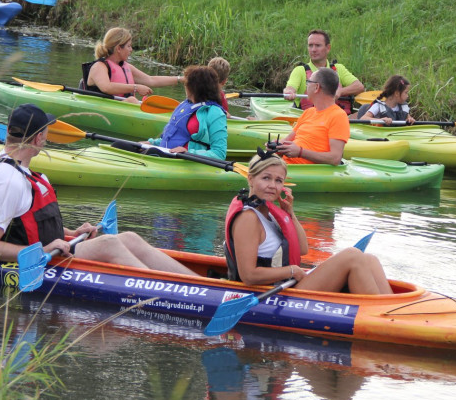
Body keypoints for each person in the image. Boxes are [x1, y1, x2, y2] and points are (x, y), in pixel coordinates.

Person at [0, 103, 199, 275]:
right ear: (39, 138)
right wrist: (44, 249)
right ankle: (174, 292)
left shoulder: (21, 170)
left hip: (51, 249)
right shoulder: (7, 181)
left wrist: (71, 234)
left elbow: (26, 225)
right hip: (41, 259)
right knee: (109, 243)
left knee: (129, 237)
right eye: (46, 132)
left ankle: (199, 283)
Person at [223, 152, 393, 293]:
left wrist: (289, 214)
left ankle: (390, 309)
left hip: (287, 284)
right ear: (251, 178)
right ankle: (381, 319)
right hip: (270, 291)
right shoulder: (248, 218)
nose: (272, 186)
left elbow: (302, 248)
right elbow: (248, 276)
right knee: (352, 256)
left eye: (278, 180)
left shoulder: (271, 213)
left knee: (369, 259)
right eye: (266, 178)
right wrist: (292, 271)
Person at [145, 65, 228, 160]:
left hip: (187, 162)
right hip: (166, 156)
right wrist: (152, 143)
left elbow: (219, 153)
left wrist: (189, 153)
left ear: (194, 87)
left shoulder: (214, 112)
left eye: (186, 83)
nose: (185, 86)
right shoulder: (184, 105)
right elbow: (171, 137)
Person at [83, 27, 183, 103]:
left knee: (141, 101)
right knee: (132, 100)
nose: (131, 50)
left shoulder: (127, 67)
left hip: (124, 106)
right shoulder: (99, 66)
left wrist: (180, 79)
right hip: (103, 107)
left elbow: (151, 80)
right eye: (129, 46)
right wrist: (136, 87)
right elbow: (107, 87)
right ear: (118, 48)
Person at [273, 68, 348, 166]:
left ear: (316, 87)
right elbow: (287, 141)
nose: (306, 86)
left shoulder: (338, 116)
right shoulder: (308, 112)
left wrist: (300, 152)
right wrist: (276, 146)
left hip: (304, 171)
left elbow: (335, 158)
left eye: (308, 82)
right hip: (285, 165)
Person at [282, 30, 364, 115]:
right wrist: (289, 92)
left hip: (341, 119)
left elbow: (359, 87)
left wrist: (340, 91)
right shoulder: (300, 70)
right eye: (310, 45)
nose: (313, 49)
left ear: (328, 48)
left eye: (318, 45)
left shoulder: (339, 68)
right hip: (311, 121)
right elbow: (290, 88)